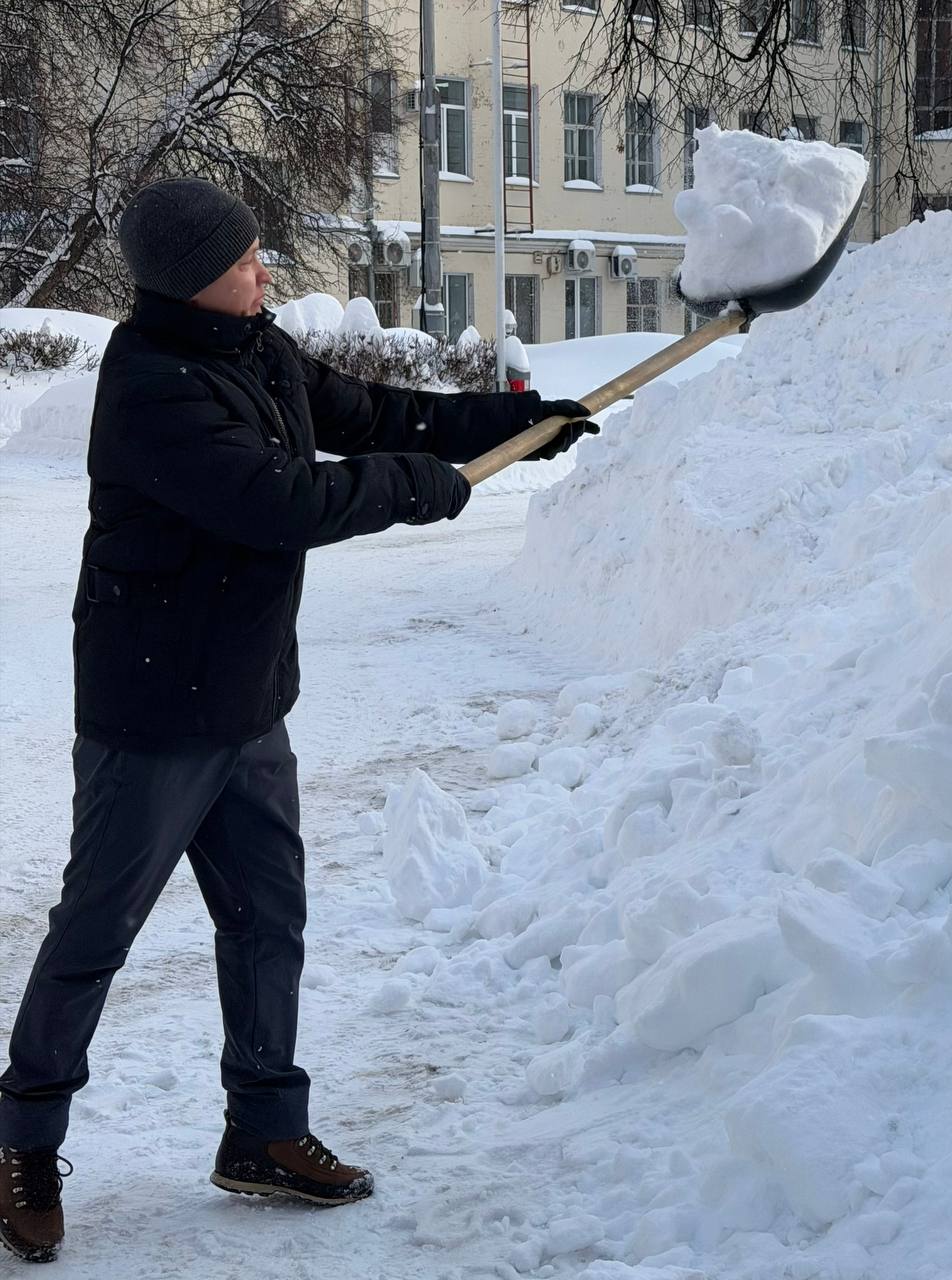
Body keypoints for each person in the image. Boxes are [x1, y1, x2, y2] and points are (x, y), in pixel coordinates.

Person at [0, 177, 598, 1264]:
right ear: (192, 278)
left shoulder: (255, 345)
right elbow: (277, 501)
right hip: (153, 713)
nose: (263, 269)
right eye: (244, 260)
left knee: (268, 919)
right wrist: (420, 486)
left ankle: (264, 1130)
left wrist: (519, 420)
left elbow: (371, 412)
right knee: (95, 933)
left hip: (247, 699)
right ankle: (21, 1140)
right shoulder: (151, 386)